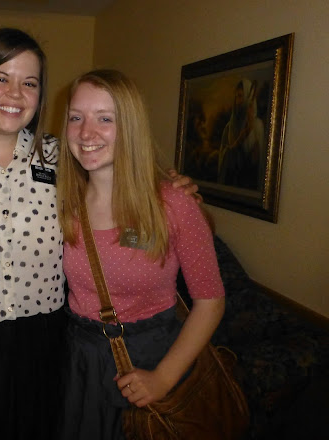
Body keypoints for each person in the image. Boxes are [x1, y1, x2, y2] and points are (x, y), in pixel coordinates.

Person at [0, 28, 201, 440]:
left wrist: (170, 185)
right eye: (1, 78)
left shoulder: (60, 158)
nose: (15, 94)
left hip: (47, 349)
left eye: (29, 83)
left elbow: (120, 170)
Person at [56, 69, 225, 439]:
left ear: (130, 126)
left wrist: (163, 378)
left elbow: (210, 301)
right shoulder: (60, 203)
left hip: (150, 360)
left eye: (105, 119)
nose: (86, 133)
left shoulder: (173, 203)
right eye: (76, 117)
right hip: (79, 363)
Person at [218, 78, 265, 189]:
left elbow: (257, 162)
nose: (238, 101)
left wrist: (250, 128)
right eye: (236, 97)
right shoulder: (229, 127)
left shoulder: (258, 125)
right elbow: (224, 157)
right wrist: (245, 133)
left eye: (241, 96)